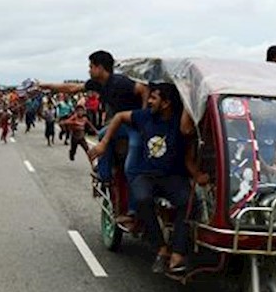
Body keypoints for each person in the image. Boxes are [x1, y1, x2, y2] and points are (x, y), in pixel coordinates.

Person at [88, 83, 208, 274]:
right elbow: (119, 117)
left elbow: (187, 145)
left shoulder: (179, 121)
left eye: (154, 98)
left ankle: (177, 254)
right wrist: (103, 143)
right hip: (145, 175)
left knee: (190, 202)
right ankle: (161, 248)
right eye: (150, 96)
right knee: (142, 199)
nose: (149, 101)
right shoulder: (145, 117)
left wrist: (198, 175)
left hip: (172, 177)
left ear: (167, 103)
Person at [40, 50, 149, 222]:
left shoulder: (120, 82)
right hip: (119, 125)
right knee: (103, 134)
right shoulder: (98, 84)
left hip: (134, 125)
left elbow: (144, 89)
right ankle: (104, 175)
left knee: (131, 167)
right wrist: (45, 86)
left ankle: (133, 210)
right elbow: (72, 88)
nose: (89, 70)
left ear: (100, 67)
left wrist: (144, 117)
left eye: (91, 66)